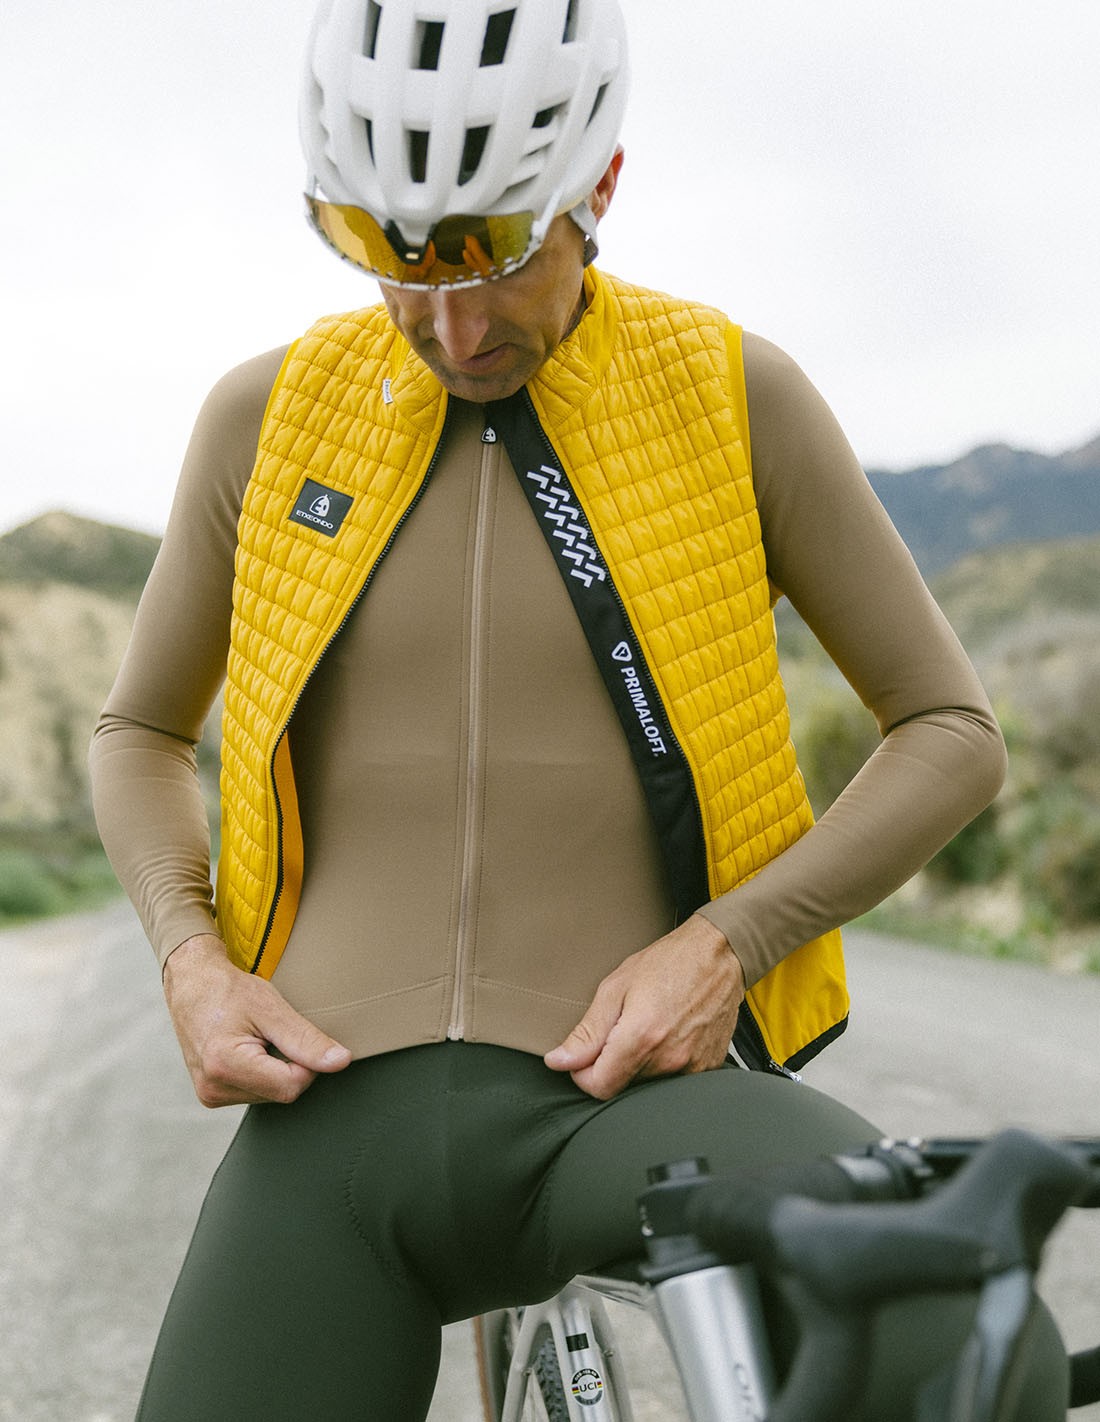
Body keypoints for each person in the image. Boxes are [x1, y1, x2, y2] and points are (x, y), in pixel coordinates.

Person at [89, 1, 1065, 1417]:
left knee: (963, 1333)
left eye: (498, 252)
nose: (453, 326)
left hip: (634, 1111)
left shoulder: (731, 393)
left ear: (600, 184)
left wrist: (730, 942)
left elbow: (952, 733)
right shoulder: (266, 416)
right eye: (396, 261)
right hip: (329, 1147)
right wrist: (191, 958)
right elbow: (138, 733)